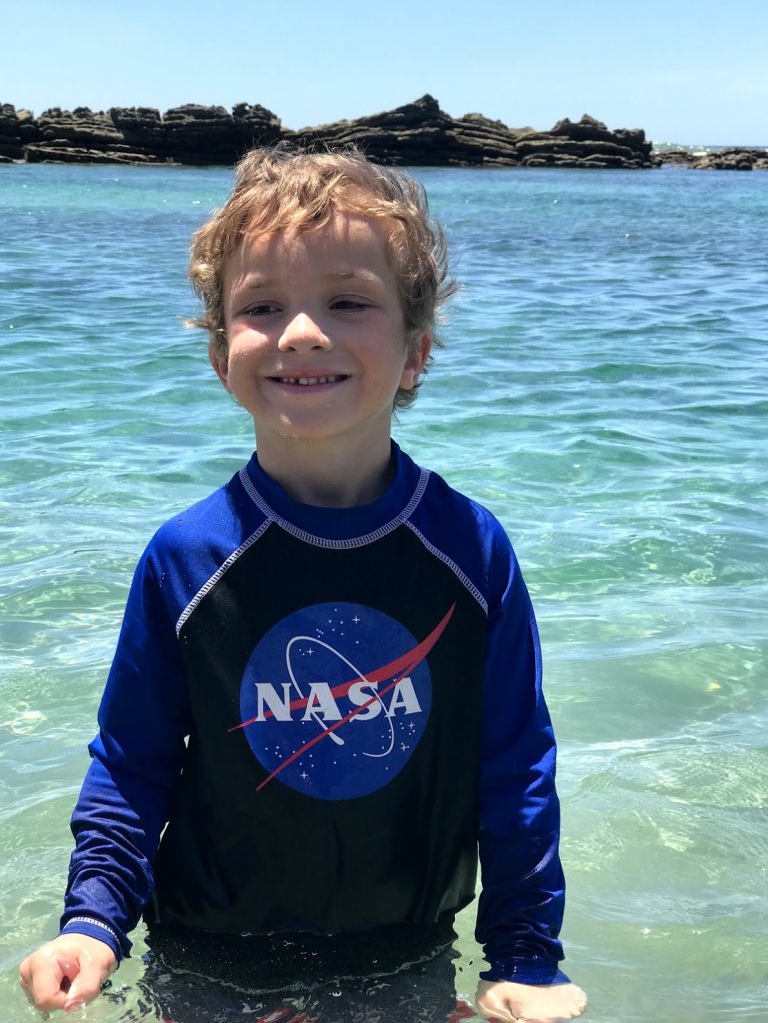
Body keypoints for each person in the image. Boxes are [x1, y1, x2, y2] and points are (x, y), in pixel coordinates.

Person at [19, 146, 587, 1023]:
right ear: (220, 355)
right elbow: (132, 767)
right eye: (261, 307)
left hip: (404, 950)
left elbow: (514, 770)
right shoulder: (185, 560)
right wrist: (93, 923)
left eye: (348, 301)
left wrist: (525, 960)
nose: (302, 331)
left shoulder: (471, 553)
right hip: (209, 954)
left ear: (416, 352)